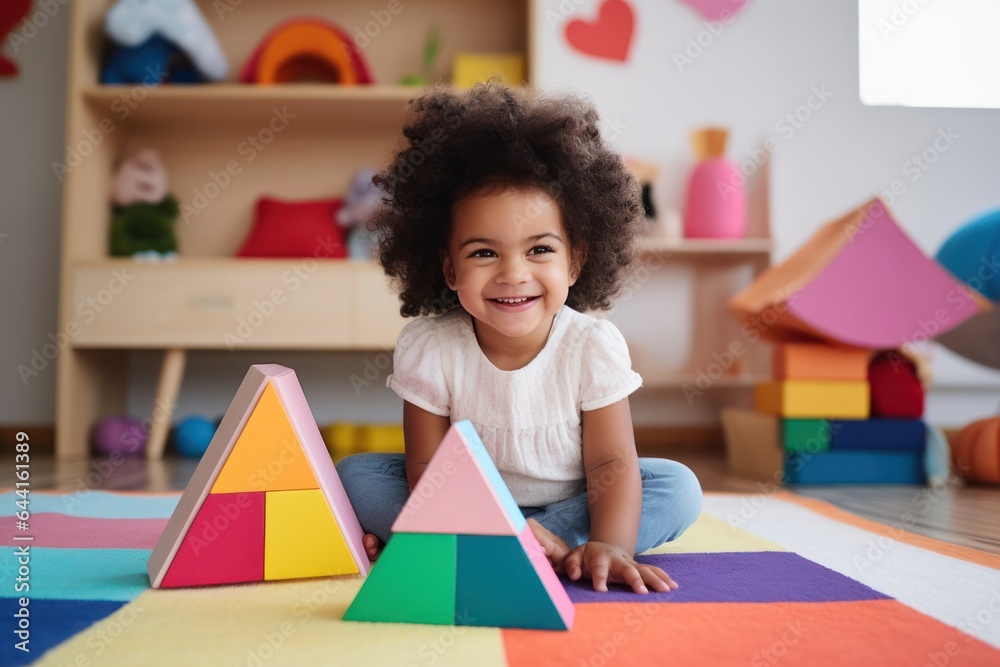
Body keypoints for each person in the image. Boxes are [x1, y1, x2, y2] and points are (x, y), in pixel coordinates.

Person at [337, 81, 702, 594]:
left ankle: (547, 538)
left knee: (676, 487)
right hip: (466, 502)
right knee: (355, 477)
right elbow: (427, 467)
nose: (513, 274)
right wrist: (455, 515)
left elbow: (611, 463)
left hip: (574, 502)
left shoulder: (590, 346)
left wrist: (613, 545)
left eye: (539, 250)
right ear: (448, 268)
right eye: (484, 253)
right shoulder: (431, 348)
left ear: (574, 261)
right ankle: (508, 541)